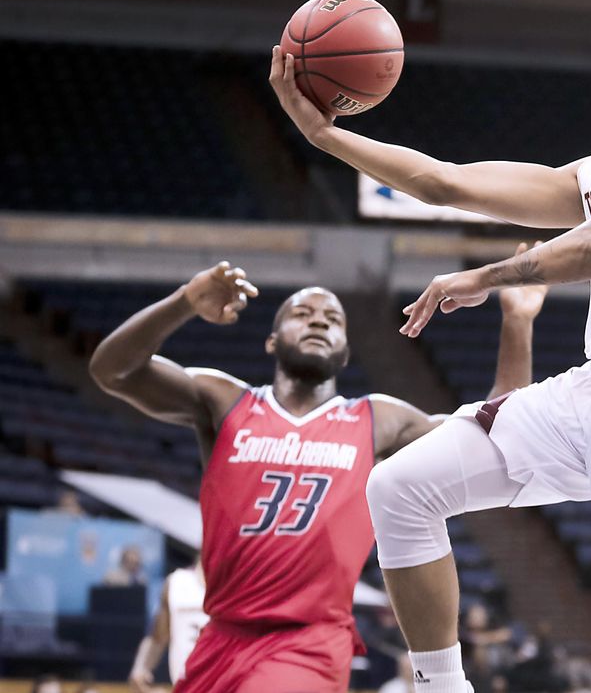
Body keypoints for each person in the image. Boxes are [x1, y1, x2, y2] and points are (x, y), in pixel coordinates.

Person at [270, 0, 591, 693]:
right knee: (400, 487)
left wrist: (490, 274)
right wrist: (326, 138)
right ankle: (440, 686)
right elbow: (448, 182)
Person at [89, 259, 547, 693]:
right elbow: (112, 371)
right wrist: (185, 302)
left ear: (345, 350)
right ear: (271, 340)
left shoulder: (378, 420)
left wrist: (517, 322)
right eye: (302, 313)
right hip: (220, 640)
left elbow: (496, 433)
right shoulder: (225, 401)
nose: (318, 321)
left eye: (333, 318)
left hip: (308, 641)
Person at [128, 557, 208, 692]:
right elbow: (158, 635)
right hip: (183, 682)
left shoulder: (236, 586)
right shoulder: (177, 582)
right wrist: (141, 668)